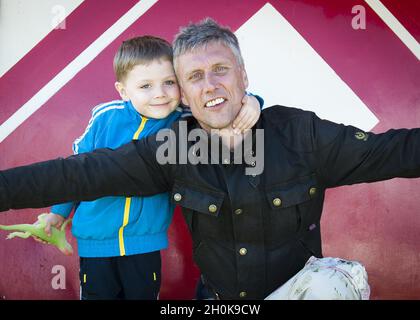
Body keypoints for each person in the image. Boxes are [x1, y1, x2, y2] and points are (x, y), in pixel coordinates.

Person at [0, 18, 419, 300]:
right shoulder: (173, 147)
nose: (211, 84)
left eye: (221, 69)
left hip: (298, 291)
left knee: (332, 283)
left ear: (244, 76)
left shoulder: (300, 134)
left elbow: (395, 150)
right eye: (195, 77)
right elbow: (80, 174)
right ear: (183, 93)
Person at [27, 35, 261, 300]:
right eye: (146, 86)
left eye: (169, 83)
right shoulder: (106, 117)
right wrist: (58, 214)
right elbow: (75, 173)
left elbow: (222, 102)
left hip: (144, 245)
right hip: (95, 247)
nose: (160, 93)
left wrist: (252, 101)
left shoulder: (181, 120)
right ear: (124, 91)